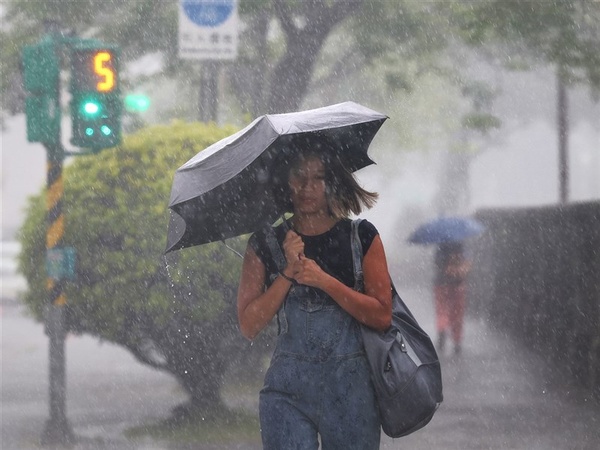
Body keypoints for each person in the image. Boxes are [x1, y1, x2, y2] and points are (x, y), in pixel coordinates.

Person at [237, 136, 392, 450]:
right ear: (287, 182)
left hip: (350, 390)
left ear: (332, 182)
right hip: (287, 391)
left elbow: (381, 315)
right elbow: (249, 324)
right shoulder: (266, 244)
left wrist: (324, 281)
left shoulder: (360, 238)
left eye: (318, 178)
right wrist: (287, 274)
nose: (308, 187)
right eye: (299, 176)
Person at [433, 242, 471, 355]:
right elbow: (468, 265)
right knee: (457, 313)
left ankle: (442, 328)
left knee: (442, 309)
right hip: (458, 285)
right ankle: (457, 341)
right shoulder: (461, 247)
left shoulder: (440, 247)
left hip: (441, 284)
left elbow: (436, 263)